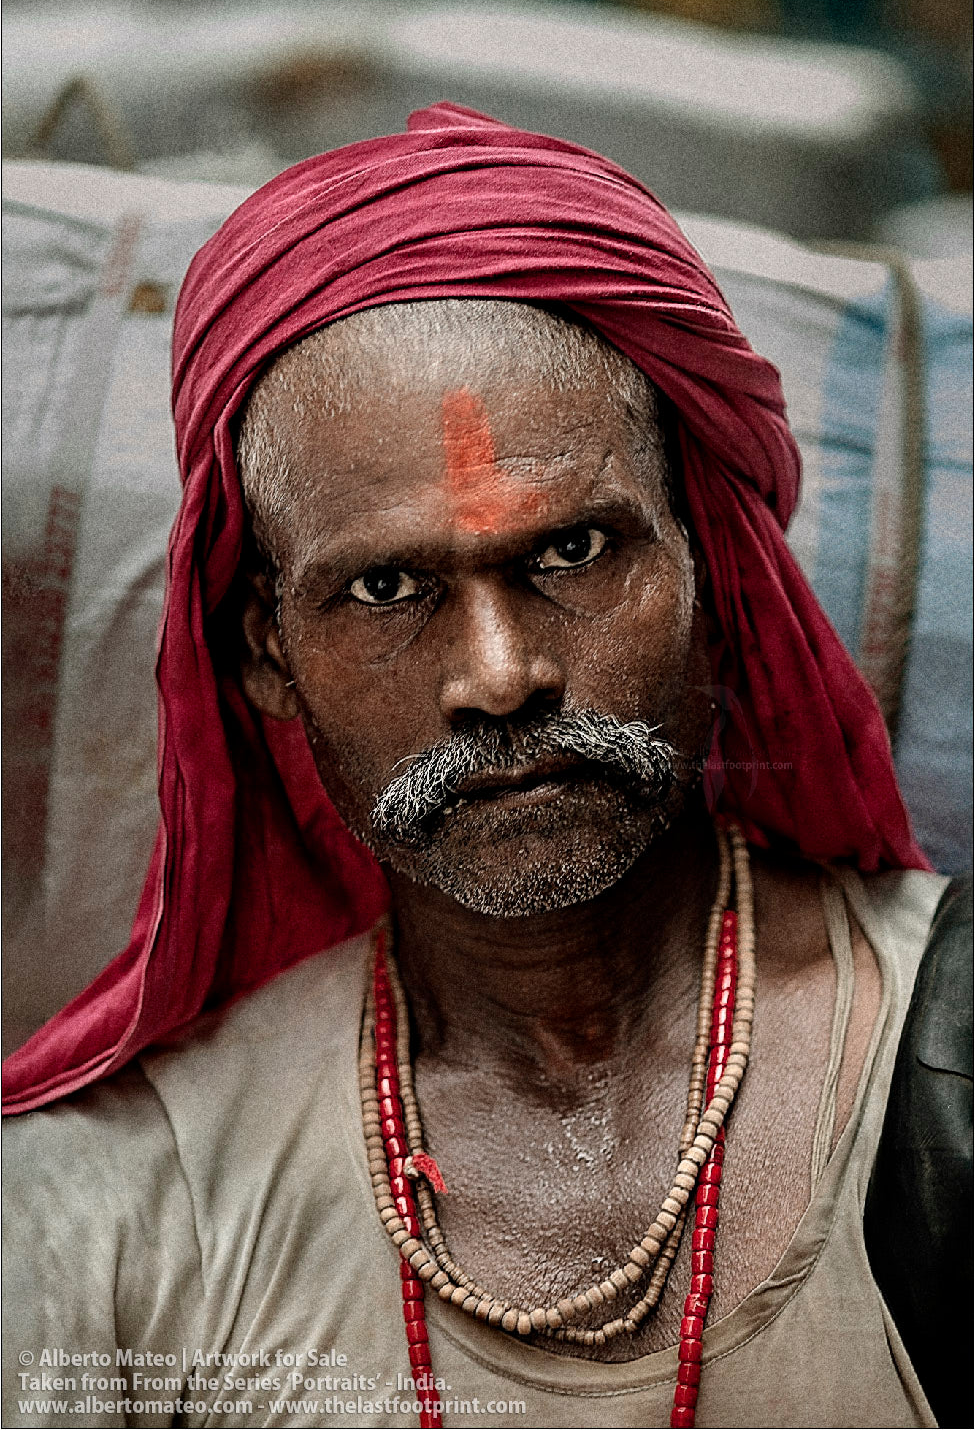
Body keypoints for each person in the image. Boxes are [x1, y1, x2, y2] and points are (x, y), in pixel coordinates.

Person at [1, 105, 953, 1430]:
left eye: (574, 554)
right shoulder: (113, 1215)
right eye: (387, 586)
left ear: (713, 567)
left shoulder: (945, 1060)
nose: (501, 676)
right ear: (264, 653)